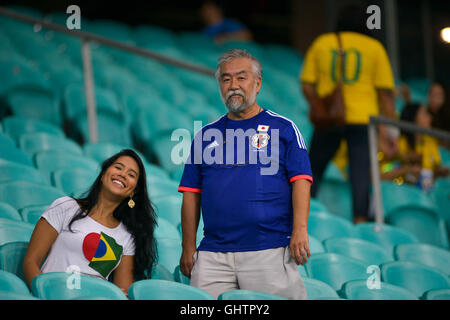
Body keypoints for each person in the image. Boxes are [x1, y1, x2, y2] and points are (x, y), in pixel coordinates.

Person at [178, 48, 312, 300]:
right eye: (226, 79)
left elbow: (301, 180)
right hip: (212, 255)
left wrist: (300, 230)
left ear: (257, 83)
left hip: (270, 249)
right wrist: (188, 246)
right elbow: (191, 194)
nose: (233, 85)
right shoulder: (204, 136)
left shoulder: (284, 128)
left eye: (241, 78)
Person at [300, 5, 397, 224]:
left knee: (312, 168)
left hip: (330, 119)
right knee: (361, 174)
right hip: (363, 120)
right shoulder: (375, 48)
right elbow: (386, 96)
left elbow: (306, 85)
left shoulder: (323, 43)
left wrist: (318, 105)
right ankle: (360, 220)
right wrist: (391, 134)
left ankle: (301, 215)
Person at [23, 149, 157, 296]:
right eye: (118, 167)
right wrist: (44, 294)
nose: (123, 174)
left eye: (131, 175)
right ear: (103, 174)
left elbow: (123, 291)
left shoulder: (127, 236)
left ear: (133, 192)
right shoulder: (66, 206)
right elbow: (31, 262)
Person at [398, 103, 449, 190]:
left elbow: (428, 181)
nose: (430, 118)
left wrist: (438, 173)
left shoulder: (431, 142)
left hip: (427, 193)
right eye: (425, 114)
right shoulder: (399, 144)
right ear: (414, 119)